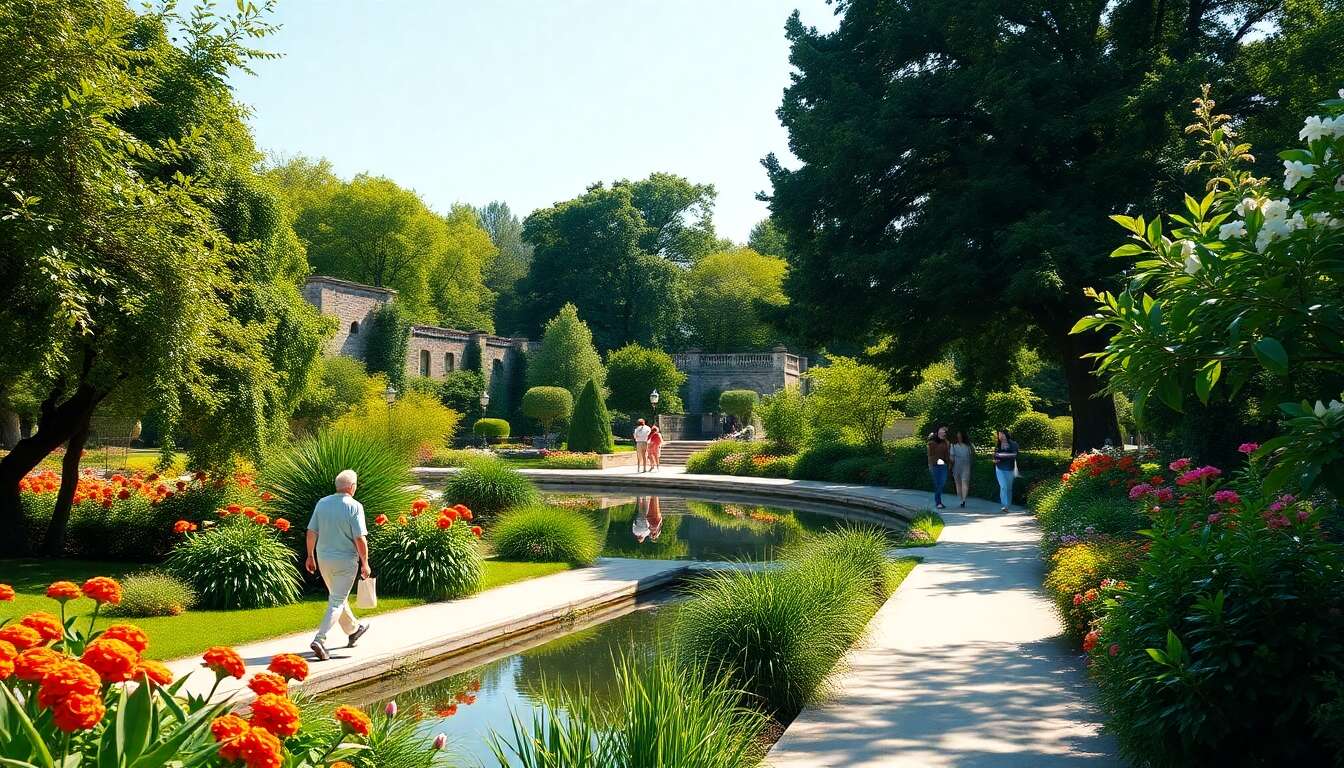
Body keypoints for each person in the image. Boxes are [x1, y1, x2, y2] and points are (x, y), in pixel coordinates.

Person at [306, 469, 371, 661]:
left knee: (337, 597)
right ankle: (320, 640)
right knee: (336, 600)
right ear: (352, 487)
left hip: (323, 558)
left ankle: (353, 630)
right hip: (345, 560)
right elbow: (360, 538)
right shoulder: (354, 506)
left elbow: (311, 531)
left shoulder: (322, 503)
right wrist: (365, 562)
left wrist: (310, 556)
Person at [992, 429, 1020, 512]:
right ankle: (1005, 505)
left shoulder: (1013, 444)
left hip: (1010, 468)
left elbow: (1014, 455)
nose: (1000, 436)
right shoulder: (998, 445)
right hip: (999, 468)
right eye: (999, 435)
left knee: (1009, 488)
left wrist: (1001, 455)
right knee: (1003, 486)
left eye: (1002, 434)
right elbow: (995, 456)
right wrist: (996, 459)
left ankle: (1008, 504)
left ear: (1006, 435)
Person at [927, 426, 951, 510]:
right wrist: (930, 465)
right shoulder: (932, 442)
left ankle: (938, 501)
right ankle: (938, 502)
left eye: (945, 431)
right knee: (938, 484)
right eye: (942, 430)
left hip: (943, 465)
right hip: (935, 465)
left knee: (942, 483)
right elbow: (930, 456)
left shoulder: (946, 442)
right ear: (938, 432)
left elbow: (947, 454)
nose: (944, 431)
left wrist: (949, 463)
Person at [950, 430, 974, 508]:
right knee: (958, 483)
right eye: (958, 437)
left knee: (965, 481)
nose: (959, 438)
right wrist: (950, 463)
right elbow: (952, 457)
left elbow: (971, 456)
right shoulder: (953, 445)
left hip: (966, 464)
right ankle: (960, 498)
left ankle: (963, 500)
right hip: (956, 465)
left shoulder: (968, 445)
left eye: (960, 436)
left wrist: (970, 463)